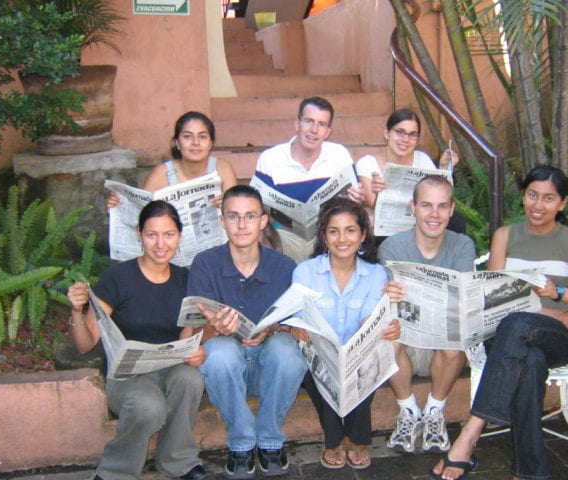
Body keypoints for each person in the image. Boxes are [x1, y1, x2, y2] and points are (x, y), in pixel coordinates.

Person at [429, 165, 568, 480]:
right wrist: (543, 310)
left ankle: (471, 433)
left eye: (548, 198)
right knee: (529, 357)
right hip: (507, 331)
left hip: (558, 337)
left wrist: (562, 293)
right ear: (523, 196)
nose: (538, 205)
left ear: (562, 203)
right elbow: (493, 296)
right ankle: (530, 470)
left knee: (521, 330)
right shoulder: (506, 236)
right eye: (532, 195)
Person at [66, 200, 208, 480]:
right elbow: (85, 344)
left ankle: (178, 460)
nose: (160, 244)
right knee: (149, 406)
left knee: (191, 379)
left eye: (168, 235)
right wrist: (76, 310)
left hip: (169, 366)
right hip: (127, 375)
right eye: (151, 234)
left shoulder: (186, 278)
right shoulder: (118, 278)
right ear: (139, 236)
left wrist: (195, 351)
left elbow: (188, 334)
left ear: (179, 237)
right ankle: (114, 471)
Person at [183, 185, 306, 479]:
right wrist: (214, 327)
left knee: (289, 350)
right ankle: (240, 443)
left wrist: (274, 328)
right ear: (222, 221)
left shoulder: (283, 266)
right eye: (233, 217)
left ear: (263, 221)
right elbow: (192, 335)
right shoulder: (205, 263)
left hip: (270, 369)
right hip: (227, 371)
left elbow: (299, 326)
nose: (241, 225)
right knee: (219, 352)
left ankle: (269, 440)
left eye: (250, 216)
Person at [291, 197, 401, 471]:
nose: (342, 238)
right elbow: (300, 319)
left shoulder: (376, 274)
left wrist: (376, 330)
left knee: (365, 360)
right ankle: (334, 440)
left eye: (350, 230)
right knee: (320, 369)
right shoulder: (305, 272)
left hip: (355, 353)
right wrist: (298, 327)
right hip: (318, 354)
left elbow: (369, 320)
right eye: (333, 230)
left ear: (363, 235)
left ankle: (356, 437)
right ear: (323, 235)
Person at [378, 175, 476, 455]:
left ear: (452, 209)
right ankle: (408, 410)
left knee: (455, 335)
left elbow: (461, 299)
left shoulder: (462, 246)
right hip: (405, 345)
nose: (434, 214)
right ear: (413, 207)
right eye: (426, 205)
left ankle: (435, 411)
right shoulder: (393, 247)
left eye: (442, 206)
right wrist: (388, 293)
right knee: (386, 333)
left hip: (443, 347)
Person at [252, 96, 365, 261]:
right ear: (297, 124)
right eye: (309, 121)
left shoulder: (339, 155)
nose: (314, 130)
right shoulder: (270, 158)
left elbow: (352, 202)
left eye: (322, 124)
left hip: (326, 232)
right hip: (285, 236)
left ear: (328, 131)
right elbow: (256, 204)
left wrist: (357, 197)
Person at [356, 108, 465, 234]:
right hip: (384, 225)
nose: (405, 139)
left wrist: (444, 168)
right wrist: (377, 192)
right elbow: (371, 204)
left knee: (456, 220)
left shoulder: (422, 159)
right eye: (400, 132)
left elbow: (439, 194)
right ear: (387, 133)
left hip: (417, 223)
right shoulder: (368, 162)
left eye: (412, 134)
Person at [107, 111, 238, 208]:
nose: (195, 143)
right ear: (177, 143)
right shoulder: (161, 174)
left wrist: (228, 205)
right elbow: (141, 213)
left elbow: (237, 211)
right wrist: (119, 206)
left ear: (210, 143)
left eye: (202, 137)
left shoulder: (222, 168)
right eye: (187, 136)